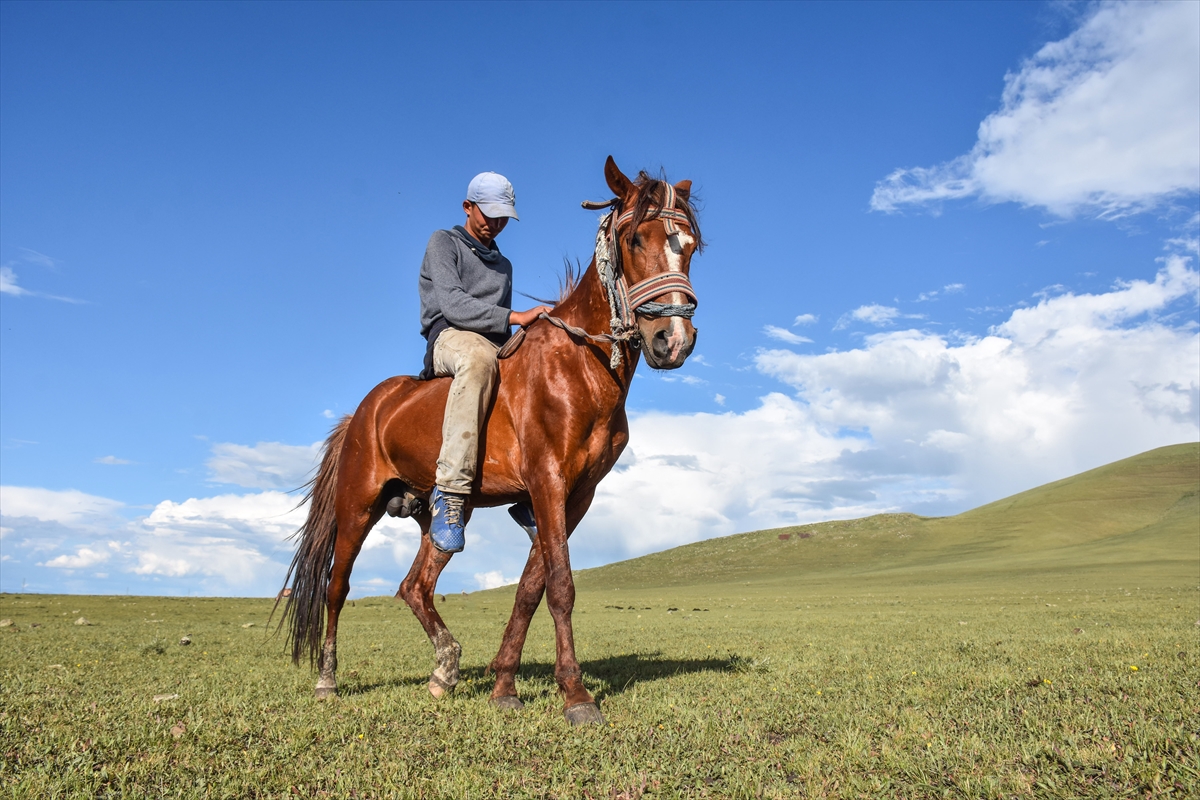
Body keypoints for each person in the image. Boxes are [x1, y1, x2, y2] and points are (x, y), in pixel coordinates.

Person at [412, 172, 551, 553]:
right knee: (477, 360)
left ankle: (529, 498)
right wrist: (516, 317)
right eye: (488, 214)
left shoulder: (503, 265)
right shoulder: (443, 243)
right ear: (468, 207)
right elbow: (454, 304)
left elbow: (503, 329)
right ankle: (450, 495)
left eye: (503, 217)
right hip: (450, 337)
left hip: (493, 342)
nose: (495, 223)